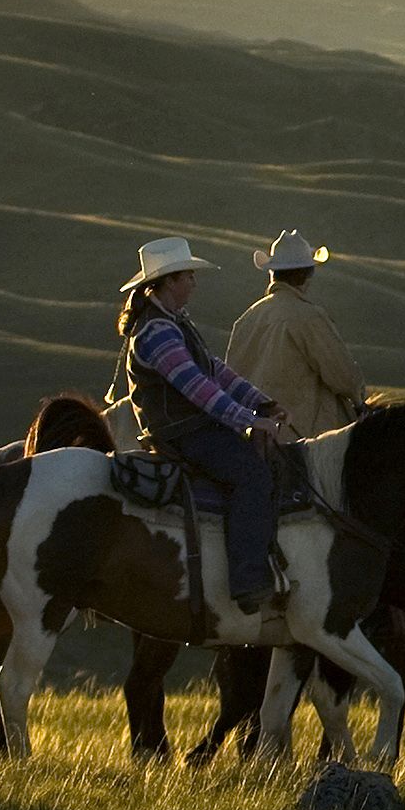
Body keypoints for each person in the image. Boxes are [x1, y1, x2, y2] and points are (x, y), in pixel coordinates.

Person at [115, 236, 296, 615]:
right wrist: (252, 422)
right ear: (168, 282)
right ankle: (248, 581)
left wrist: (261, 402)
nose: (194, 284)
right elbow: (196, 388)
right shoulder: (157, 332)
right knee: (253, 476)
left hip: (191, 426)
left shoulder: (171, 322)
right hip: (181, 432)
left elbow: (215, 371)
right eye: (188, 277)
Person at [224, 230, 371, 438]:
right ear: (303, 274)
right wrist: (358, 401)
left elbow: (231, 377)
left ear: (272, 274)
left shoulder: (247, 319)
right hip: (305, 439)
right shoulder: (308, 316)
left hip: (254, 438)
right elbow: (344, 377)